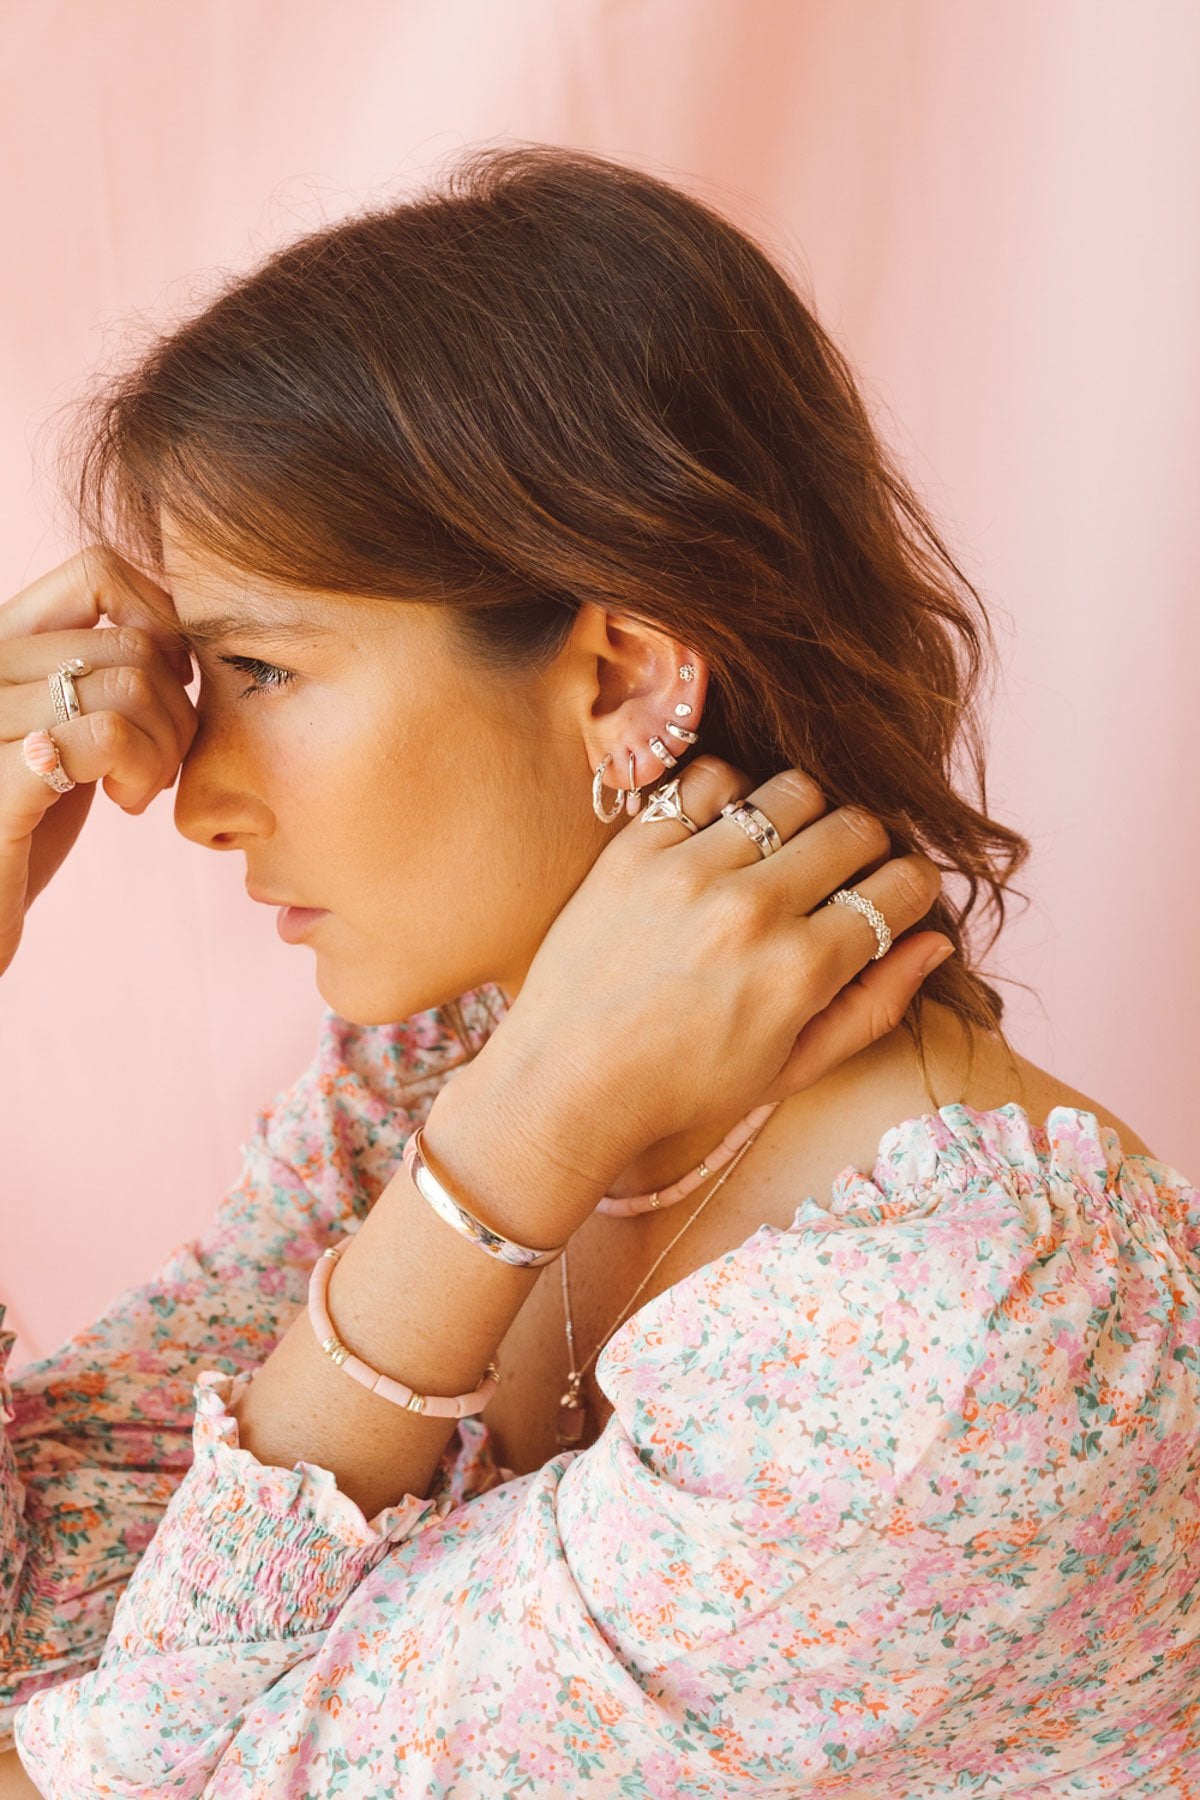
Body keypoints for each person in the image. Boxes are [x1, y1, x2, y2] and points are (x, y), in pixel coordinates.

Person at [0, 144, 1195, 1797]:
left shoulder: (939, 1357)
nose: (191, 794)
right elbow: (39, 1589)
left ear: (625, 677)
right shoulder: (441, 1069)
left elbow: (123, 1780)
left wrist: (501, 1164)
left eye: (259, 667)